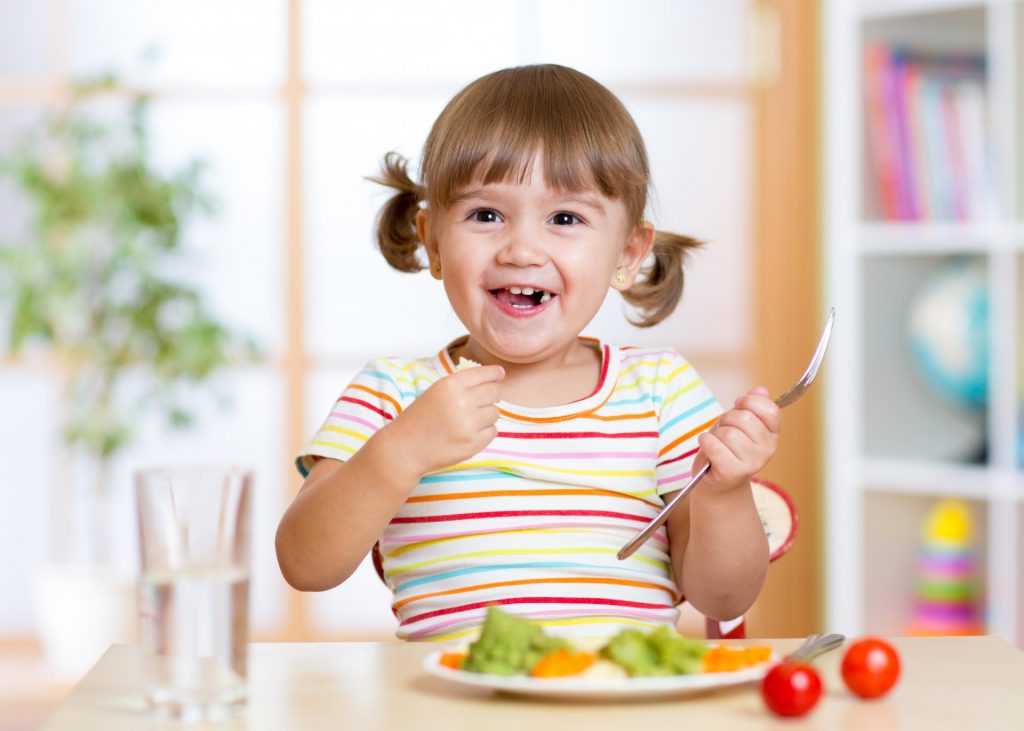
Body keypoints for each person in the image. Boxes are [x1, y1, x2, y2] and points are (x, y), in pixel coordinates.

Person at [276, 64, 780, 643]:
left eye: (565, 218)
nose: (521, 249)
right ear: (433, 240)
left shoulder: (662, 389)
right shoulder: (393, 394)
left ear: (628, 252)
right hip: (454, 707)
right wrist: (400, 450)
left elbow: (724, 596)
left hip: (619, 702)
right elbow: (304, 565)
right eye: (485, 215)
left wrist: (723, 492)